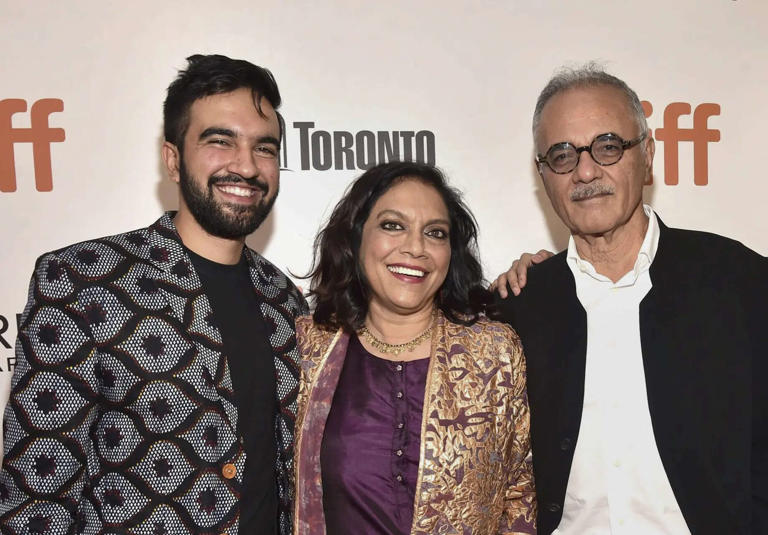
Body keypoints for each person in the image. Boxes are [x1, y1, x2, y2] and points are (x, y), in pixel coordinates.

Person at [0, 54, 307, 535]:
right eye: (220, 141)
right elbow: (37, 500)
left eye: (263, 148)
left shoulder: (285, 301)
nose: (246, 165)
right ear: (173, 159)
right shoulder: (83, 281)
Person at [494, 64, 768, 534]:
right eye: (562, 155)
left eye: (607, 146)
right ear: (543, 175)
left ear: (648, 155)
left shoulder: (741, 282)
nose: (585, 171)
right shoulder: (517, 308)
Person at [292, 161, 536, 535]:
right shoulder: (308, 347)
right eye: (393, 226)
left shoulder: (495, 353)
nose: (416, 247)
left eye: (435, 233)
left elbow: (521, 498)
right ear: (356, 237)